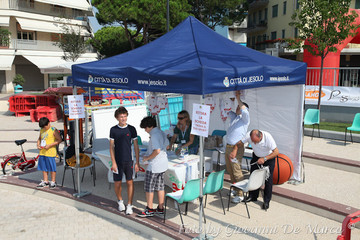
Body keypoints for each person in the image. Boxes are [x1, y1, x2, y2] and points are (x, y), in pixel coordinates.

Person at [233, 129, 279, 210]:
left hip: (268, 158)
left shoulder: (268, 137)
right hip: (256, 157)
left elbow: (276, 152)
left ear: (260, 136)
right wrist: (235, 149)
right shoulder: (249, 135)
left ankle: (266, 200)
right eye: (252, 141)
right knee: (253, 176)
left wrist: (264, 159)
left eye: (256, 141)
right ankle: (252, 196)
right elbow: (240, 143)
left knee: (268, 180)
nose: (254, 143)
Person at [109, 106, 140, 215]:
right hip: (117, 161)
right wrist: (113, 162)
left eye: (125, 116)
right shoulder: (113, 130)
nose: (123, 118)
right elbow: (111, 147)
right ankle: (120, 201)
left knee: (130, 182)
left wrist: (137, 162)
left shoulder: (131, 129)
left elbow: (136, 147)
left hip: (129, 161)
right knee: (117, 183)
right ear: (117, 117)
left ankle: (129, 205)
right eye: (121, 117)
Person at [137, 116, 169, 217]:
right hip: (163, 164)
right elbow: (167, 145)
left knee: (149, 188)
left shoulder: (154, 135)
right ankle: (160, 208)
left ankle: (149, 209)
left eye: (145, 128)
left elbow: (157, 150)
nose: (145, 131)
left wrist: (147, 158)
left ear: (150, 126)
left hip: (154, 165)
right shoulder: (161, 132)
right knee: (160, 187)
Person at [227, 91, 250, 204]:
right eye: (237, 107)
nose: (237, 108)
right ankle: (235, 189)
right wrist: (232, 100)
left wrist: (238, 98)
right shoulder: (235, 117)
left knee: (236, 170)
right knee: (230, 170)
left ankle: (240, 194)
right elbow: (228, 110)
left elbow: (244, 109)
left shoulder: (245, 119)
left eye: (239, 107)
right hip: (228, 147)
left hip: (236, 149)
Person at [36, 117, 62, 189]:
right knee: (44, 167)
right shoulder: (42, 130)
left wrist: (50, 145)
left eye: (45, 126)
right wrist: (38, 145)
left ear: (49, 123)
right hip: (42, 152)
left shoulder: (53, 130)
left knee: (51, 167)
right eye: (43, 127)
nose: (44, 128)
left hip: (50, 152)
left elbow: (59, 140)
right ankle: (45, 180)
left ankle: (53, 181)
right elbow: (39, 138)